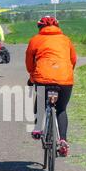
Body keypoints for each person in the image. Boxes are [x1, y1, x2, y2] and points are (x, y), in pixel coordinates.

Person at [25, 16, 77, 157]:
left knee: (41, 101)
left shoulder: (35, 40)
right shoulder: (66, 39)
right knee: (61, 110)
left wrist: (31, 77)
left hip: (43, 78)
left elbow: (30, 62)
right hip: (64, 79)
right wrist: (67, 73)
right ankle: (63, 140)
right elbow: (73, 60)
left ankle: (37, 128)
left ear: (40, 27)